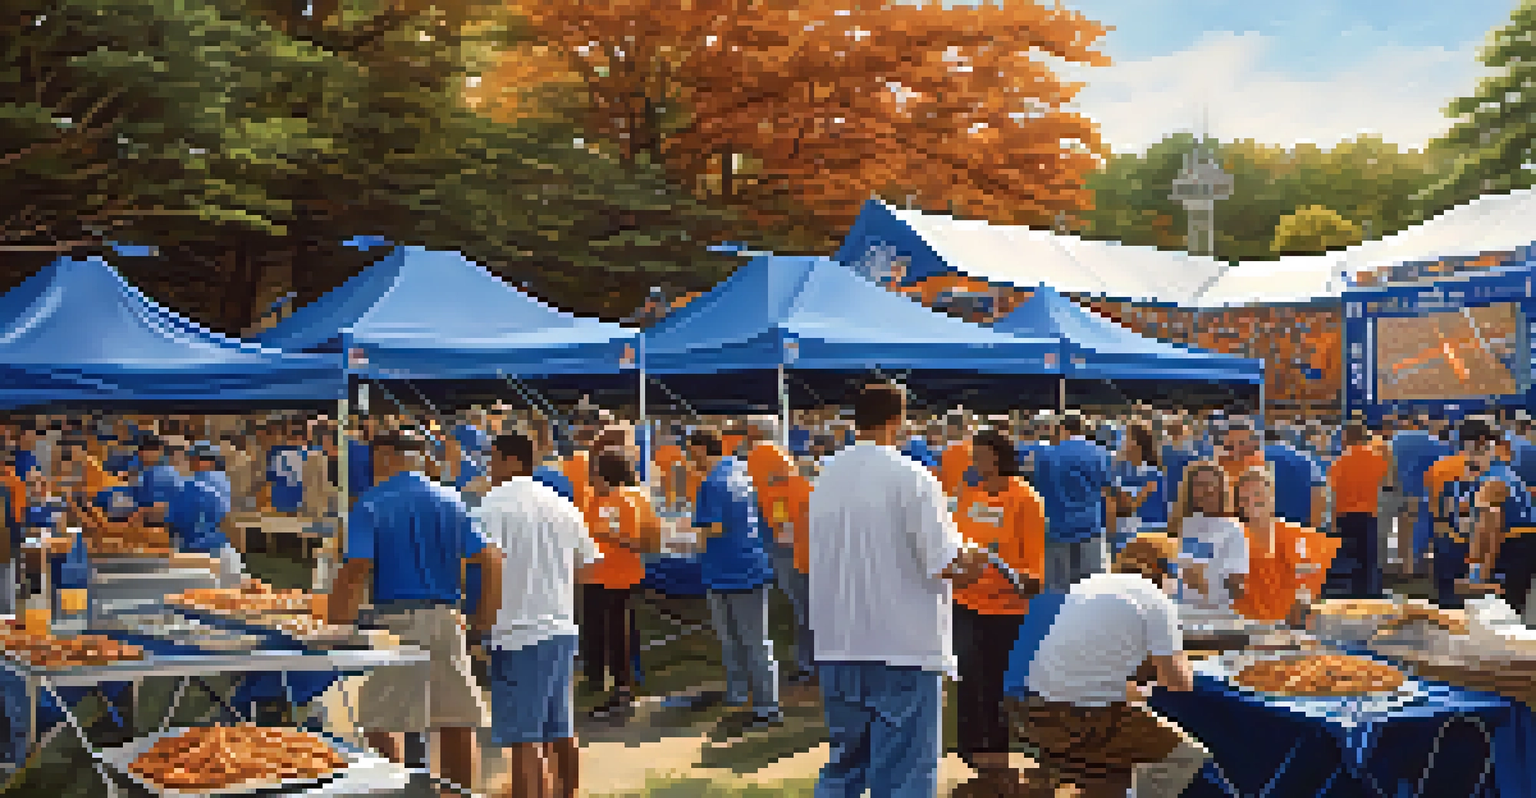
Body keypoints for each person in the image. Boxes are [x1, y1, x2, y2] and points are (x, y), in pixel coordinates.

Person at [807, 382, 992, 798]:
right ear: (898, 420)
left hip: (839, 642)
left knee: (844, 766)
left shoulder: (826, 475)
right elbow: (946, 564)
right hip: (902, 647)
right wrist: (976, 569)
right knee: (905, 773)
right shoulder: (912, 476)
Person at [324, 430, 494, 792]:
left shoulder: (370, 503)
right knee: (455, 720)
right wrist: (483, 618)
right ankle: (455, 793)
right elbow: (490, 558)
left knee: (376, 719)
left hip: (395, 623)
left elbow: (356, 569)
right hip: (447, 617)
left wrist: (333, 622)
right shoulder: (452, 499)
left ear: (383, 455)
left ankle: (400, 789)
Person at [1001, 533, 1209, 798]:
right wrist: (1186, 660)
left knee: (1116, 765)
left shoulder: (1090, 584)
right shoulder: (1156, 600)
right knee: (1186, 756)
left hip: (1029, 710)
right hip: (1082, 719)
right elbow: (1179, 683)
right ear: (1163, 569)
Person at [474, 431, 592, 798]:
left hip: (517, 630)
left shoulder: (491, 507)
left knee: (524, 737)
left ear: (511, 460)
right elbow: (586, 568)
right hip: (559, 625)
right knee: (560, 727)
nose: (489, 467)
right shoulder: (562, 505)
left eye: (493, 459)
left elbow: (479, 567)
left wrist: (481, 622)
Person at [951, 429, 1045, 796]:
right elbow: (958, 545)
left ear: (1000, 457)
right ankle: (970, 748)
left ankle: (995, 754)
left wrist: (1006, 571)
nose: (975, 460)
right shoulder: (968, 495)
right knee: (968, 676)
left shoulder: (1025, 499)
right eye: (974, 454)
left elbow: (1034, 572)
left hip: (1005, 607)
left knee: (994, 682)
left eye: (982, 454)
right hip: (965, 601)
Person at [687, 427, 782, 736]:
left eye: (692, 451)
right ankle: (751, 699)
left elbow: (713, 527)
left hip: (729, 569)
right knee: (750, 641)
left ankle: (762, 704)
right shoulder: (740, 472)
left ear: (702, 449)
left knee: (742, 642)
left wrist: (694, 541)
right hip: (747, 566)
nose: (690, 458)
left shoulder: (713, 482)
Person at [582, 451, 661, 720]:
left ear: (607, 474)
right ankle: (614, 686)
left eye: (594, 471)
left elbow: (639, 540)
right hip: (603, 576)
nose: (590, 476)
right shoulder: (615, 497)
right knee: (610, 635)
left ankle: (622, 692)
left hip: (615, 577)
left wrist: (607, 535)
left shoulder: (623, 500)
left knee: (617, 636)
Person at [746, 436, 816, 684]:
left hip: (794, 558)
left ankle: (808, 665)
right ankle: (813, 663)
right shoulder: (804, 485)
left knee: (806, 612)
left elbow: (784, 531)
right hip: (806, 556)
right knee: (809, 611)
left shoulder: (777, 494)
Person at [1232, 467, 1339, 625]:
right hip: (1244, 629)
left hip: (1287, 630)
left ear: (1272, 497)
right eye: (1245, 498)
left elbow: (1310, 590)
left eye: (1258, 495)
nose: (1252, 502)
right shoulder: (1232, 538)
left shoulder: (1298, 537)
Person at [1033, 411, 1112, 594]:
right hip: (1090, 529)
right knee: (1093, 593)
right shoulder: (1099, 453)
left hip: (1056, 531)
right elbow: (1109, 491)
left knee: (1057, 594)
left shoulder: (1046, 455)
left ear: (1061, 428)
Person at [1464, 418, 1536, 616]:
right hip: (1523, 541)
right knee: (1512, 610)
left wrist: (1480, 572)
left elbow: (1490, 529)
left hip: (1514, 545)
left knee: (1503, 613)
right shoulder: (1504, 472)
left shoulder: (1491, 481)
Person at [1169, 461, 1248, 610]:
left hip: (1215, 615)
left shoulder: (1232, 530)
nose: (1207, 490)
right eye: (1200, 485)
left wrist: (1203, 585)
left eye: (1211, 484)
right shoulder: (1183, 525)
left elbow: (1237, 589)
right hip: (1180, 612)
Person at [1326, 422, 1391, 599]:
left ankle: (1351, 593)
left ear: (1346, 437)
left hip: (1344, 514)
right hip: (1369, 513)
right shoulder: (1377, 458)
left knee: (1349, 557)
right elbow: (1387, 483)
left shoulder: (1339, 461)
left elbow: (1332, 492)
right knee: (1369, 557)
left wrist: (1331, 522)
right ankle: (1371, 592)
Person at [171, 442, 245, 587]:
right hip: (225, 553)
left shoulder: (189, 485)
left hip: (198, 558)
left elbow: (177, 520)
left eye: (191, 460)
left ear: (198, 460)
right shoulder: (223, 481)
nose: (190, 464)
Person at [1394, 420, 1451, 577]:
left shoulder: (1397, 439)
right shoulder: (1437, 444)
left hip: (1401, 488)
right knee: (1423, 527)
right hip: (1425, 490)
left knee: (1403, 527)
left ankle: (1406, 567)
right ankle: (1419, 566)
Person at [1427, 430, 1472, 608]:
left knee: (1444, 570)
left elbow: (1432, 496)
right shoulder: (1476, 467)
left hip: (1443, 525)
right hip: (1469, 526)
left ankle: (1445, 604)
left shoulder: (1439, 466)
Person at [1109, 421, 1163, 554]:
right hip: (1122, 534)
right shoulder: (1117, 470)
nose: (1123, 443)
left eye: (1127, 438)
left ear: (1138, 443)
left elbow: (1129, 504)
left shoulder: (1154, 473)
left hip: (1148, 533)